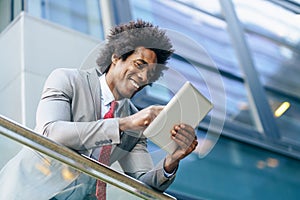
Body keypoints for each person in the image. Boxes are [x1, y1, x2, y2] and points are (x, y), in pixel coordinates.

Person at [0, 20, 198, 199]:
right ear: (116, 56)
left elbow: (141, 184)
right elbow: (52, 133)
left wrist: (172, 159)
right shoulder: (67, 80)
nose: (144, 77)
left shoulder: (134, 123)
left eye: (151, 73)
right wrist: (124, 124)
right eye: (140, 64)